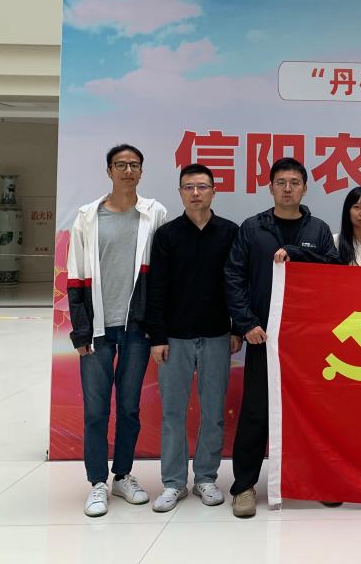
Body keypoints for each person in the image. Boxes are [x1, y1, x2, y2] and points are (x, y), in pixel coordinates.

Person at [224, 157, 340, 518]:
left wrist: (297, 252)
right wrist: (247, 323)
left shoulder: (318, 229)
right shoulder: (252, 227)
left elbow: (334, 271)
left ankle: (315, 480)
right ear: (270, 187)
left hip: (306, 341)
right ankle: (244, 487)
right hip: (264, 337)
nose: (287, 189)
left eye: (294, 183)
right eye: (281, 182)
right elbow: (233, 277)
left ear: (305, 188)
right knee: (256, 411)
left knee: (310, 412)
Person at [66, 144, 167, 517]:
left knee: (129, 407)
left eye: (134, 164)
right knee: (95, 410)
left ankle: (122, 475)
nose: (128, 170)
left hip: (136, 328)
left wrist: (156, 327)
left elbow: (160, 275)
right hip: (97, 329)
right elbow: (75, 276)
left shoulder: (154, 214)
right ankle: (97, 482)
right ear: (109, 171)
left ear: (141, 171)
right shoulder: (87, 217)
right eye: (120, 165)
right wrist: (80, 332)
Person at [145, 164, 239, 513]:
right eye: (189, 187)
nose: (196, 193)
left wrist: (237, 329)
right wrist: (157, 336)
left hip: (217, 335)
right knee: (172, 413)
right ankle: (173, 483)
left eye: (202, 186)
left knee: (213, 411)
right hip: (174, 337)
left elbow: (237, 284)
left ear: (214, 191)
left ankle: (206, 478)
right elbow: (156, 288)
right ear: (180, 192)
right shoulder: (167, 235)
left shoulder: (229, 232)